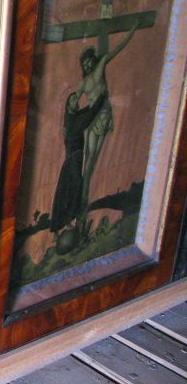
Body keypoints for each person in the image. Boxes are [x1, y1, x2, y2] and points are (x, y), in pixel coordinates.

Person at [74, 20, 139, 209]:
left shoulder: (101, 66)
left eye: (88, 62)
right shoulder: (84, 82)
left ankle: (85, 194)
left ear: (92, 59)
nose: (87, 65)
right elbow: (73, 101)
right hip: (93, 119)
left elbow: (118, 48)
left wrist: (132, 30)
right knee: (89, 157)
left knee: (95, 157)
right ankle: (83, 195)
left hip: (105, 116)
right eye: (84, 64)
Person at [50, 91, 108, 233]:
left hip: (73, 159)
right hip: (73, 160)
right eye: (73, 99)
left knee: (70, 190)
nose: (77, 100)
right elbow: (89, 115)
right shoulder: (72, 122)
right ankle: (69, 220)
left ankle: (68, 221)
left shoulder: (72, 116)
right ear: (68, 105)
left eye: (76, 98)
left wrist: (95, 101)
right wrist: (101, 97)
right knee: (76, 187)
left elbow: (86, 111)